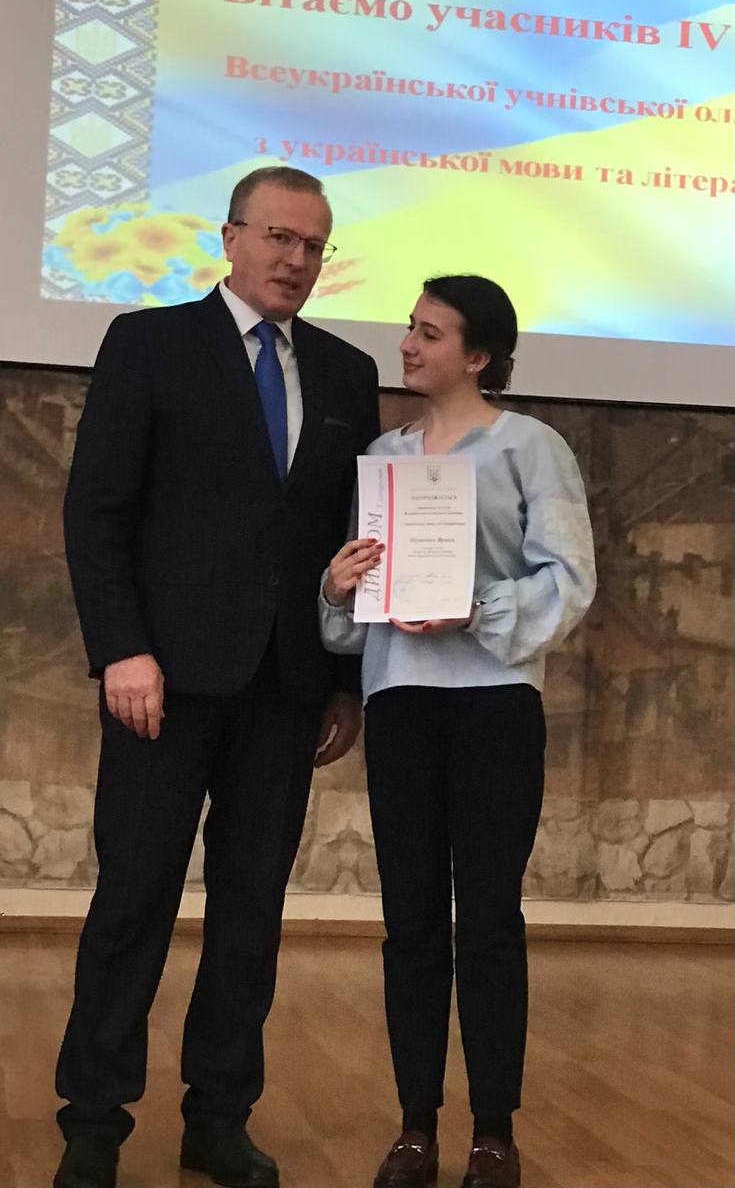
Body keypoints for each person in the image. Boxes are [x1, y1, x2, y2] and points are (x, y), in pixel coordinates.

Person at [54, 166, 380, 1188]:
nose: (296, 259)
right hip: (161, 680)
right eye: (279, 237)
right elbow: (97, 509)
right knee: (133, 900)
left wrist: (344, 679)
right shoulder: (148, 344)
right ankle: (94, 1120)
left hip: (287, 687)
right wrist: (121, 648)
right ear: (230, 237)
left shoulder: (346, 372)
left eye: (313, 245)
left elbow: (348, 535)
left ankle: (220, 1115)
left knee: (251, 910)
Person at [320, 274, 596, 1188]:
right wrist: (337, 587)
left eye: (429, 332)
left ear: (478, 355)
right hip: (400, 700)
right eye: (409, 327)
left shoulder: (530, 447)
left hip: (492, 706)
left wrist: (475, 608)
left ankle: (492, 1131)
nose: (407, 344)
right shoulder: (382, 454)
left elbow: (569, 579)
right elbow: (355, 607)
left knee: (486, 920)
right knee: (408, 923)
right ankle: (413, 1127)